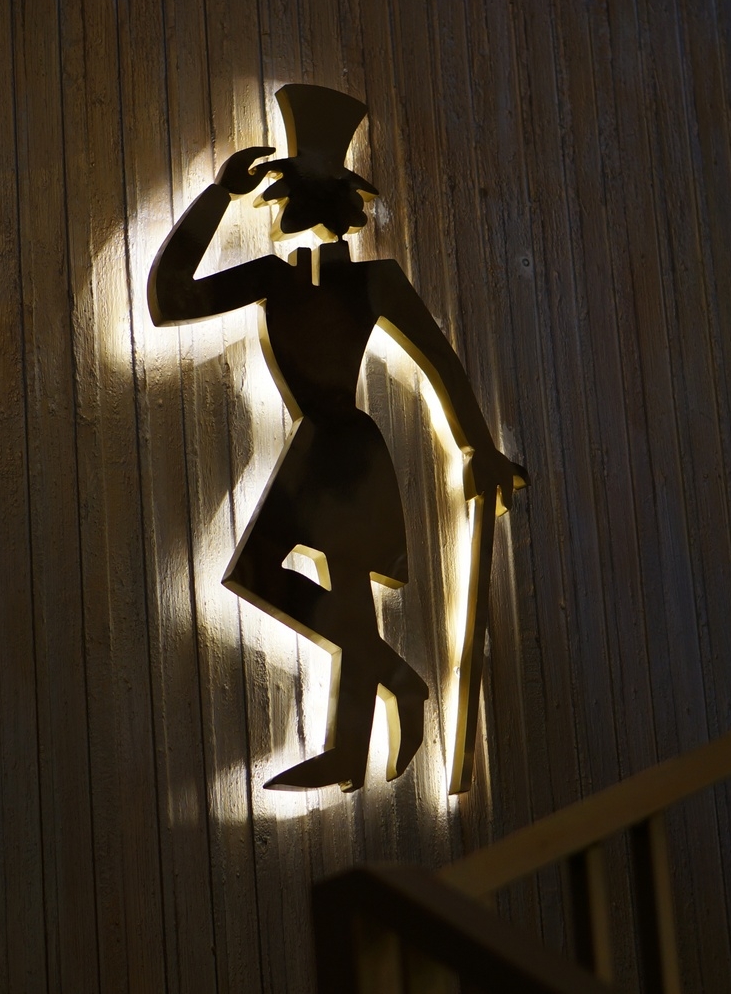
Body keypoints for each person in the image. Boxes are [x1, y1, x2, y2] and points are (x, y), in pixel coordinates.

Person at [150, 84, 524, 792]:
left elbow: (440, 361)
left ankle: (350, 751)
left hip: (349, 451)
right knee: (258, 574)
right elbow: (172, 300)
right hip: (317, 447)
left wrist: (478, 448)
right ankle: (398, 681)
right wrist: (218, 196)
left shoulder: (377, 281)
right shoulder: (274, 278)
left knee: (347, 592)